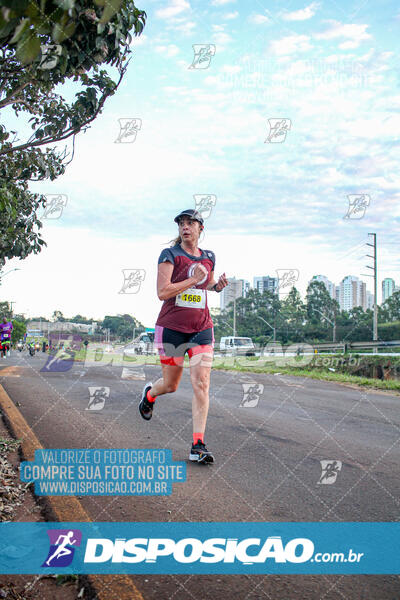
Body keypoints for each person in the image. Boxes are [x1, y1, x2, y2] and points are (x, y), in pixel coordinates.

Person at [139, 209, 228, 463]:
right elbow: (162, 292)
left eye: (191, 223)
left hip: (202, 329)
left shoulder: (209, 256)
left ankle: (197, 444)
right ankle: (149, 394)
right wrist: (192, 281)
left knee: (202, 383)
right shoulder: (170, 255)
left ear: (201, 228)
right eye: (181, 224)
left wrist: (216, 286)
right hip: (171, 330)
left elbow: (206, 283)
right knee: (171, 385)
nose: (185, 227)